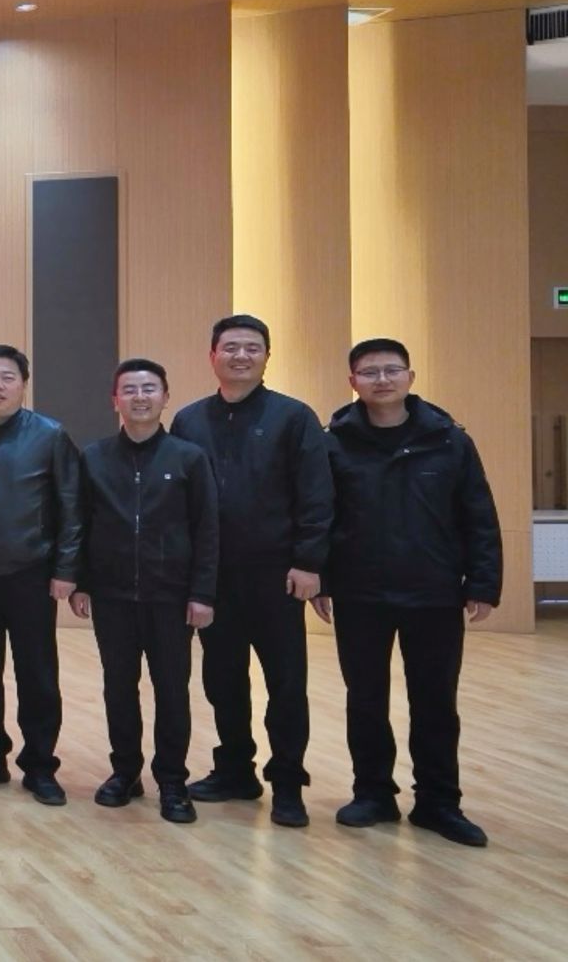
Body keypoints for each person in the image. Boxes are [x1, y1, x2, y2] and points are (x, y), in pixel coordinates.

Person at [321, 338, 500, 847]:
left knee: (436, 702)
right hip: (360, 593)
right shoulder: (333, 444)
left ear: (410, 377)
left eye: (391, 370)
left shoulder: (449, 440)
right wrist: (322, 579)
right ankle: (373, 793)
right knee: (365, 699)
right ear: (352, 382)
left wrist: (483, 583)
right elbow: (320, 515)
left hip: (433, 591)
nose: (382, 380)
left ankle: (438, 803)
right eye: (369, 372)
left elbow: (478, 515)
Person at [170, 315, 332, 827]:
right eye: (231, 347)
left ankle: (288, 783)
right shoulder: (189, 421)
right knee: (222, 680)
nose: (241, 356)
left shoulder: (294, 417)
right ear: (212, 356)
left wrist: (309, 562)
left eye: (252, 347)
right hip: (212, 578)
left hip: (277, 575)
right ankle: (235, 770)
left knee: (286, 683)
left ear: (266, 356)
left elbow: (316, 494)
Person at [70, 358, 218, 825]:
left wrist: (203, 592)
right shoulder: (94, 457)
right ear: (115, 400)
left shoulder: (189, 457)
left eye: (149, 388)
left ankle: (172, 781)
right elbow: (80, 523)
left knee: (172, 690)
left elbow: (207, 529)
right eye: (129, 390)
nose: (139, 397)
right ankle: (125, 772)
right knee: (119, 686)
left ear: (165, 397)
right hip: (111, 596)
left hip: (171, 597)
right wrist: (81, 582)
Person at [0, 344, 81, 806]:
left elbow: (71, 506)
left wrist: (66, 569)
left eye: (7, 377)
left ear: (23, 384)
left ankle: (40, 765)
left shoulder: (50, 435)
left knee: (37, 674)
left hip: (32, 574)